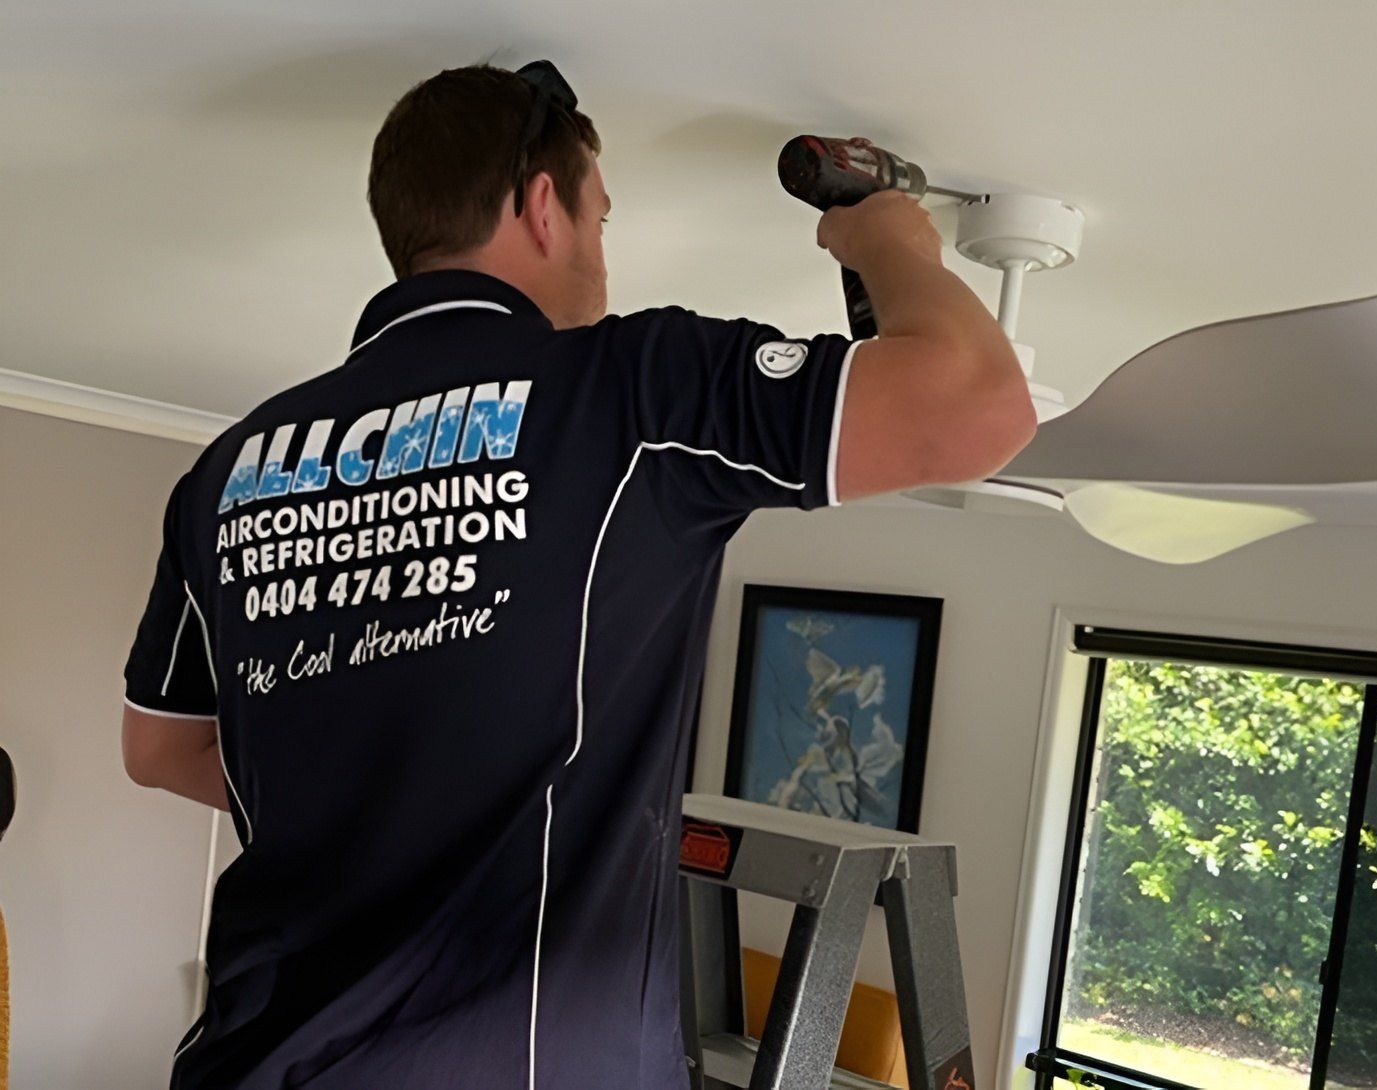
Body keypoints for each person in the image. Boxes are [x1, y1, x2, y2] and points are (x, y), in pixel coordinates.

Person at [119, 59, 1034, 1089]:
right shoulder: (631, 389)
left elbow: (158, 747)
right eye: (602, 221)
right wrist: (891, 242)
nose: (602, 259)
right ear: (542, 205)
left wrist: (360, 799)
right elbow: (977, 408)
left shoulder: (229, 471)